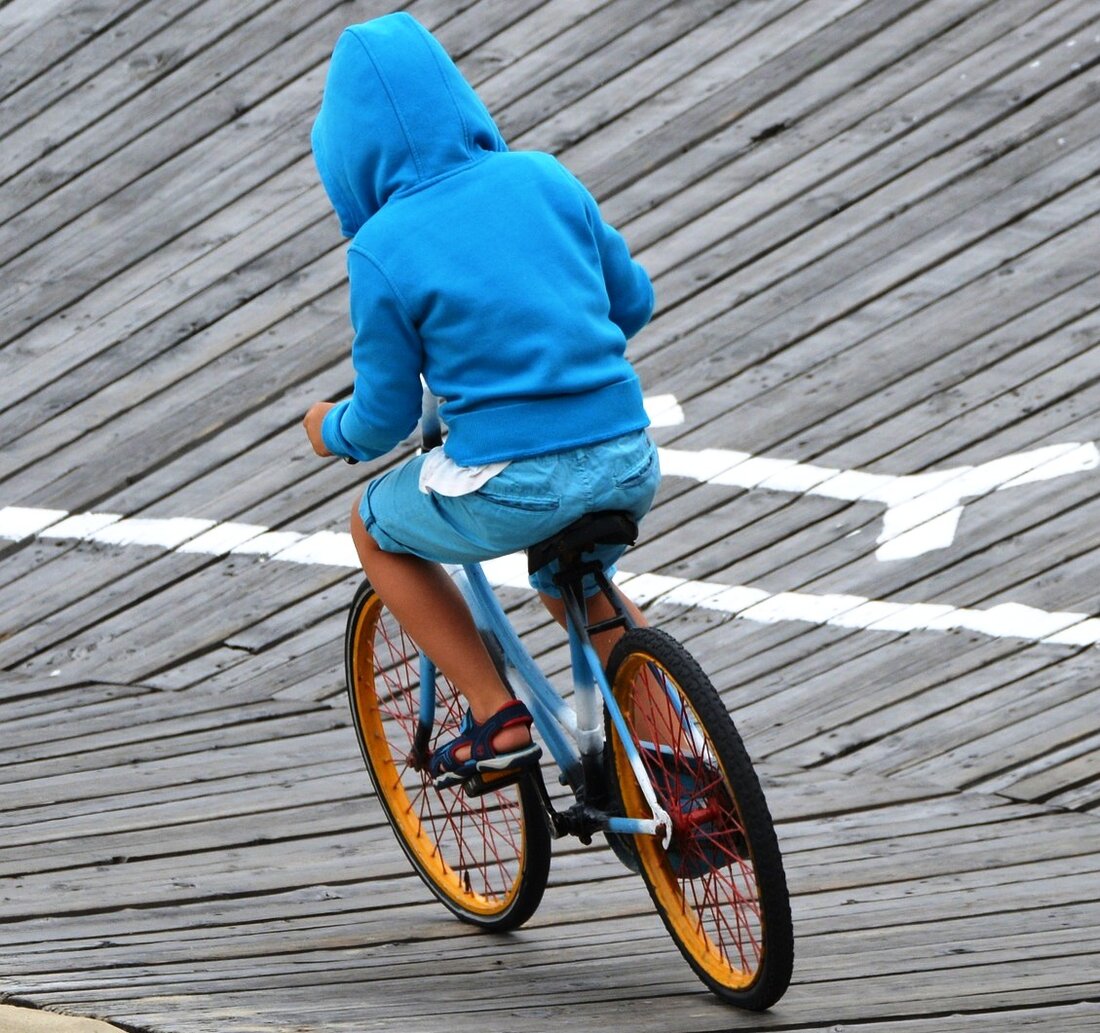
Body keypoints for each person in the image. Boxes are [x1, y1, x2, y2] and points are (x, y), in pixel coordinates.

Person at [302, 13, 661, 788]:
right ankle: (679, 760)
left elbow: (386, 416)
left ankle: (497, 716)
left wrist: (328, 429)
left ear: (345, 153)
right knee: (576, 578)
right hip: (627, 454)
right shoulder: (543, 176)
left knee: (373, 526)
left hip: (515, 482)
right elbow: (632, 302)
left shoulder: (382, 246)